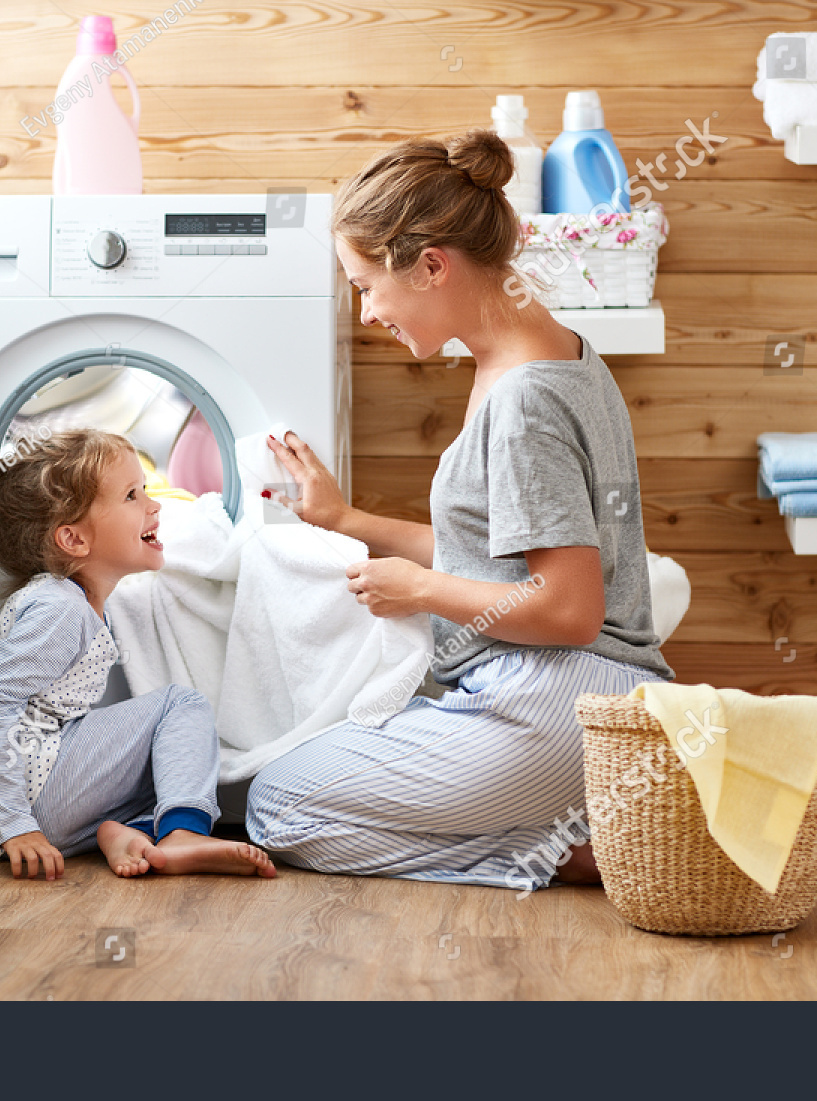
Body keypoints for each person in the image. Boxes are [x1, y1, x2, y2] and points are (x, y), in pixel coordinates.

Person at [245, 129, 675, 891]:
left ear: (431, 266)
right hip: (588, 701)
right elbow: (493, 555)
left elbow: (570, 609)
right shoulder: (551, 353)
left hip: (554, 705)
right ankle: (555, 834)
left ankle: (556, 853)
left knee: (274, 805)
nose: (367, 313)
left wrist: (419, 590)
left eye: (367, 285)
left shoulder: (524, 399)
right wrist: (347, 520)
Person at [0, 428, 276, 881]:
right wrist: (15, 824)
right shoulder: (59, 608)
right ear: (74, 540)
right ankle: (183, 834)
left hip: (37, 798)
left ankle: (121, 833)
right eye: (131, 495)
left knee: (169, 761)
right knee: (180, 705)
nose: (153, 505)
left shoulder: (73, 602)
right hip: (29, 796)